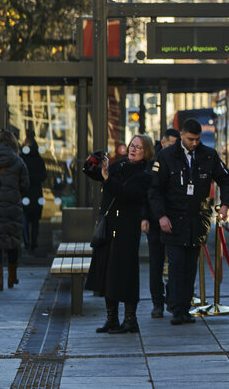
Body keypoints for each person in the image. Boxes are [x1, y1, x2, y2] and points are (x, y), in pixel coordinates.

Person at [148, 119, 229, 325]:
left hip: (197, 221)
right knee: (176, 264)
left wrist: (225, 204)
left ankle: (184, 307)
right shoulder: (166, 156)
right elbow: (154, 189)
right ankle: (177, 309)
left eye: (197, 139)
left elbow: (227, 179)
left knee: (190, 266)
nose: (194, 143)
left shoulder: (208, 155)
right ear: (181, 136)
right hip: (173, 220)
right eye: (190, 139)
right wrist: (161, 216)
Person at [84, 134, 153, 334]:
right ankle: (111, 319)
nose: (133, 149)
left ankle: (130, 320)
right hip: (108, 227)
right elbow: (97, 174)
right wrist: (93, 161)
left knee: (125, 273)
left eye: (138, 147)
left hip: (126, 229)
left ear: (146, 151)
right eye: (132, 145)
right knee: (107, 272)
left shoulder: (145, 174)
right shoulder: (120, 165)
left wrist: (107, 177)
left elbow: (124, 193)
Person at [0, 130, 29, 291]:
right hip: (13, 206)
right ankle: (12, 277)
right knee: (12, 241)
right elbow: (25, 185)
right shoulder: (19, 162)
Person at [147, 127, 179, 318]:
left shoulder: (180, 159)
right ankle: (157, 302)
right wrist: (144, 217)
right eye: (171, 144)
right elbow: (147, 191)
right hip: (154, 220)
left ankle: (171, 299)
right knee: (156, 263)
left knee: (175, 262)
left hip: (174, 219)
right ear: (163, 142)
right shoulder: (152, 161)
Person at [20, 130, 48, 253]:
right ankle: (33, 243)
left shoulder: (22, 159)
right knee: (35, 221)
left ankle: (27, 243)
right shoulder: (38, 159)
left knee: (25, 219)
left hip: (25, 192)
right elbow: (43, 176)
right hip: (36, 192)